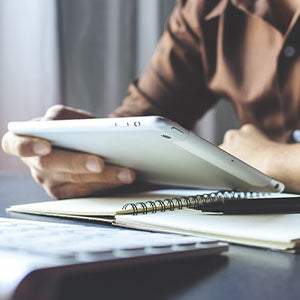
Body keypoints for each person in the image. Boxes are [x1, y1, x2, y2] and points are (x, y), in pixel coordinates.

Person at [2, 0, 300, 198]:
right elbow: (145, 122)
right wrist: (81, 157)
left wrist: (271, 161)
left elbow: (262, 162)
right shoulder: (205, 7)